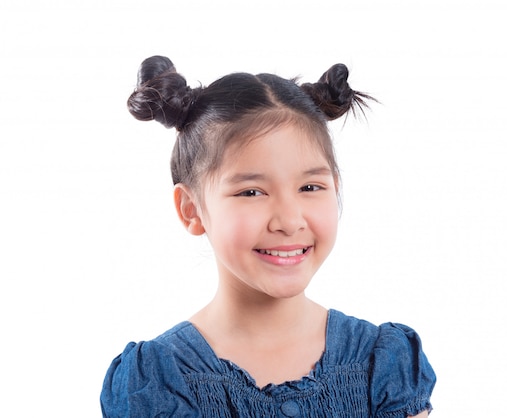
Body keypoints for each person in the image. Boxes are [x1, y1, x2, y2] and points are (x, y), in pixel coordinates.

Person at [100, 55, 436, 417]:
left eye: (310, 186)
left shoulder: (381, 363)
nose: (289, 221)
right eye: (251, 192)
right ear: (192, 209)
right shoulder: (158, 380)